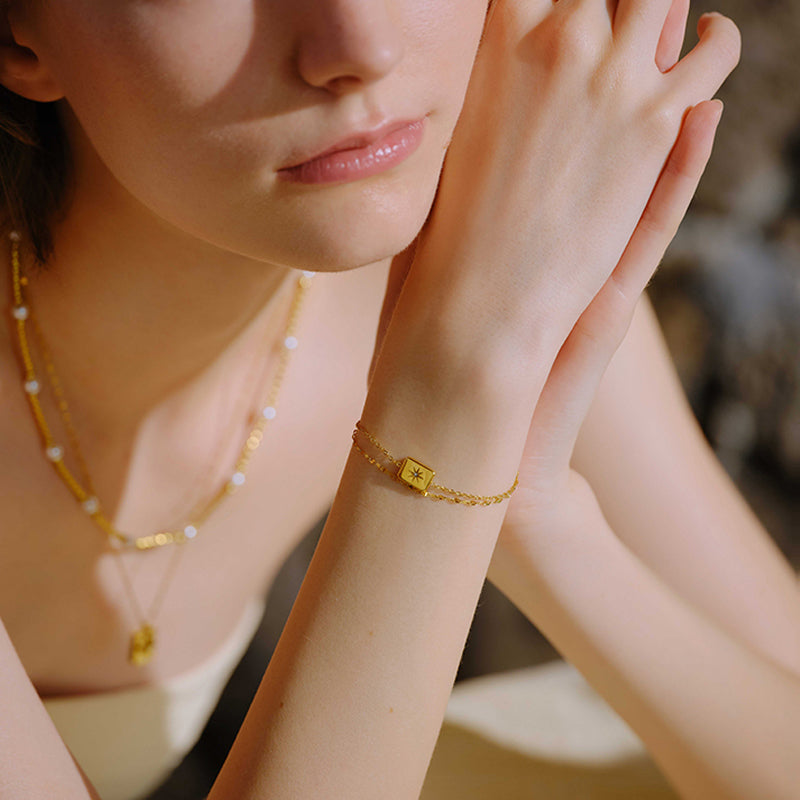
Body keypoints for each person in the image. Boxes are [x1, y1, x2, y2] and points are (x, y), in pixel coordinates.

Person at [0, 0, 797, 799]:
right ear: (17, 33)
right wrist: (448, 403)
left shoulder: (472, 256)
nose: (361, 46)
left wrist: (538, 516)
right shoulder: (470, 298)